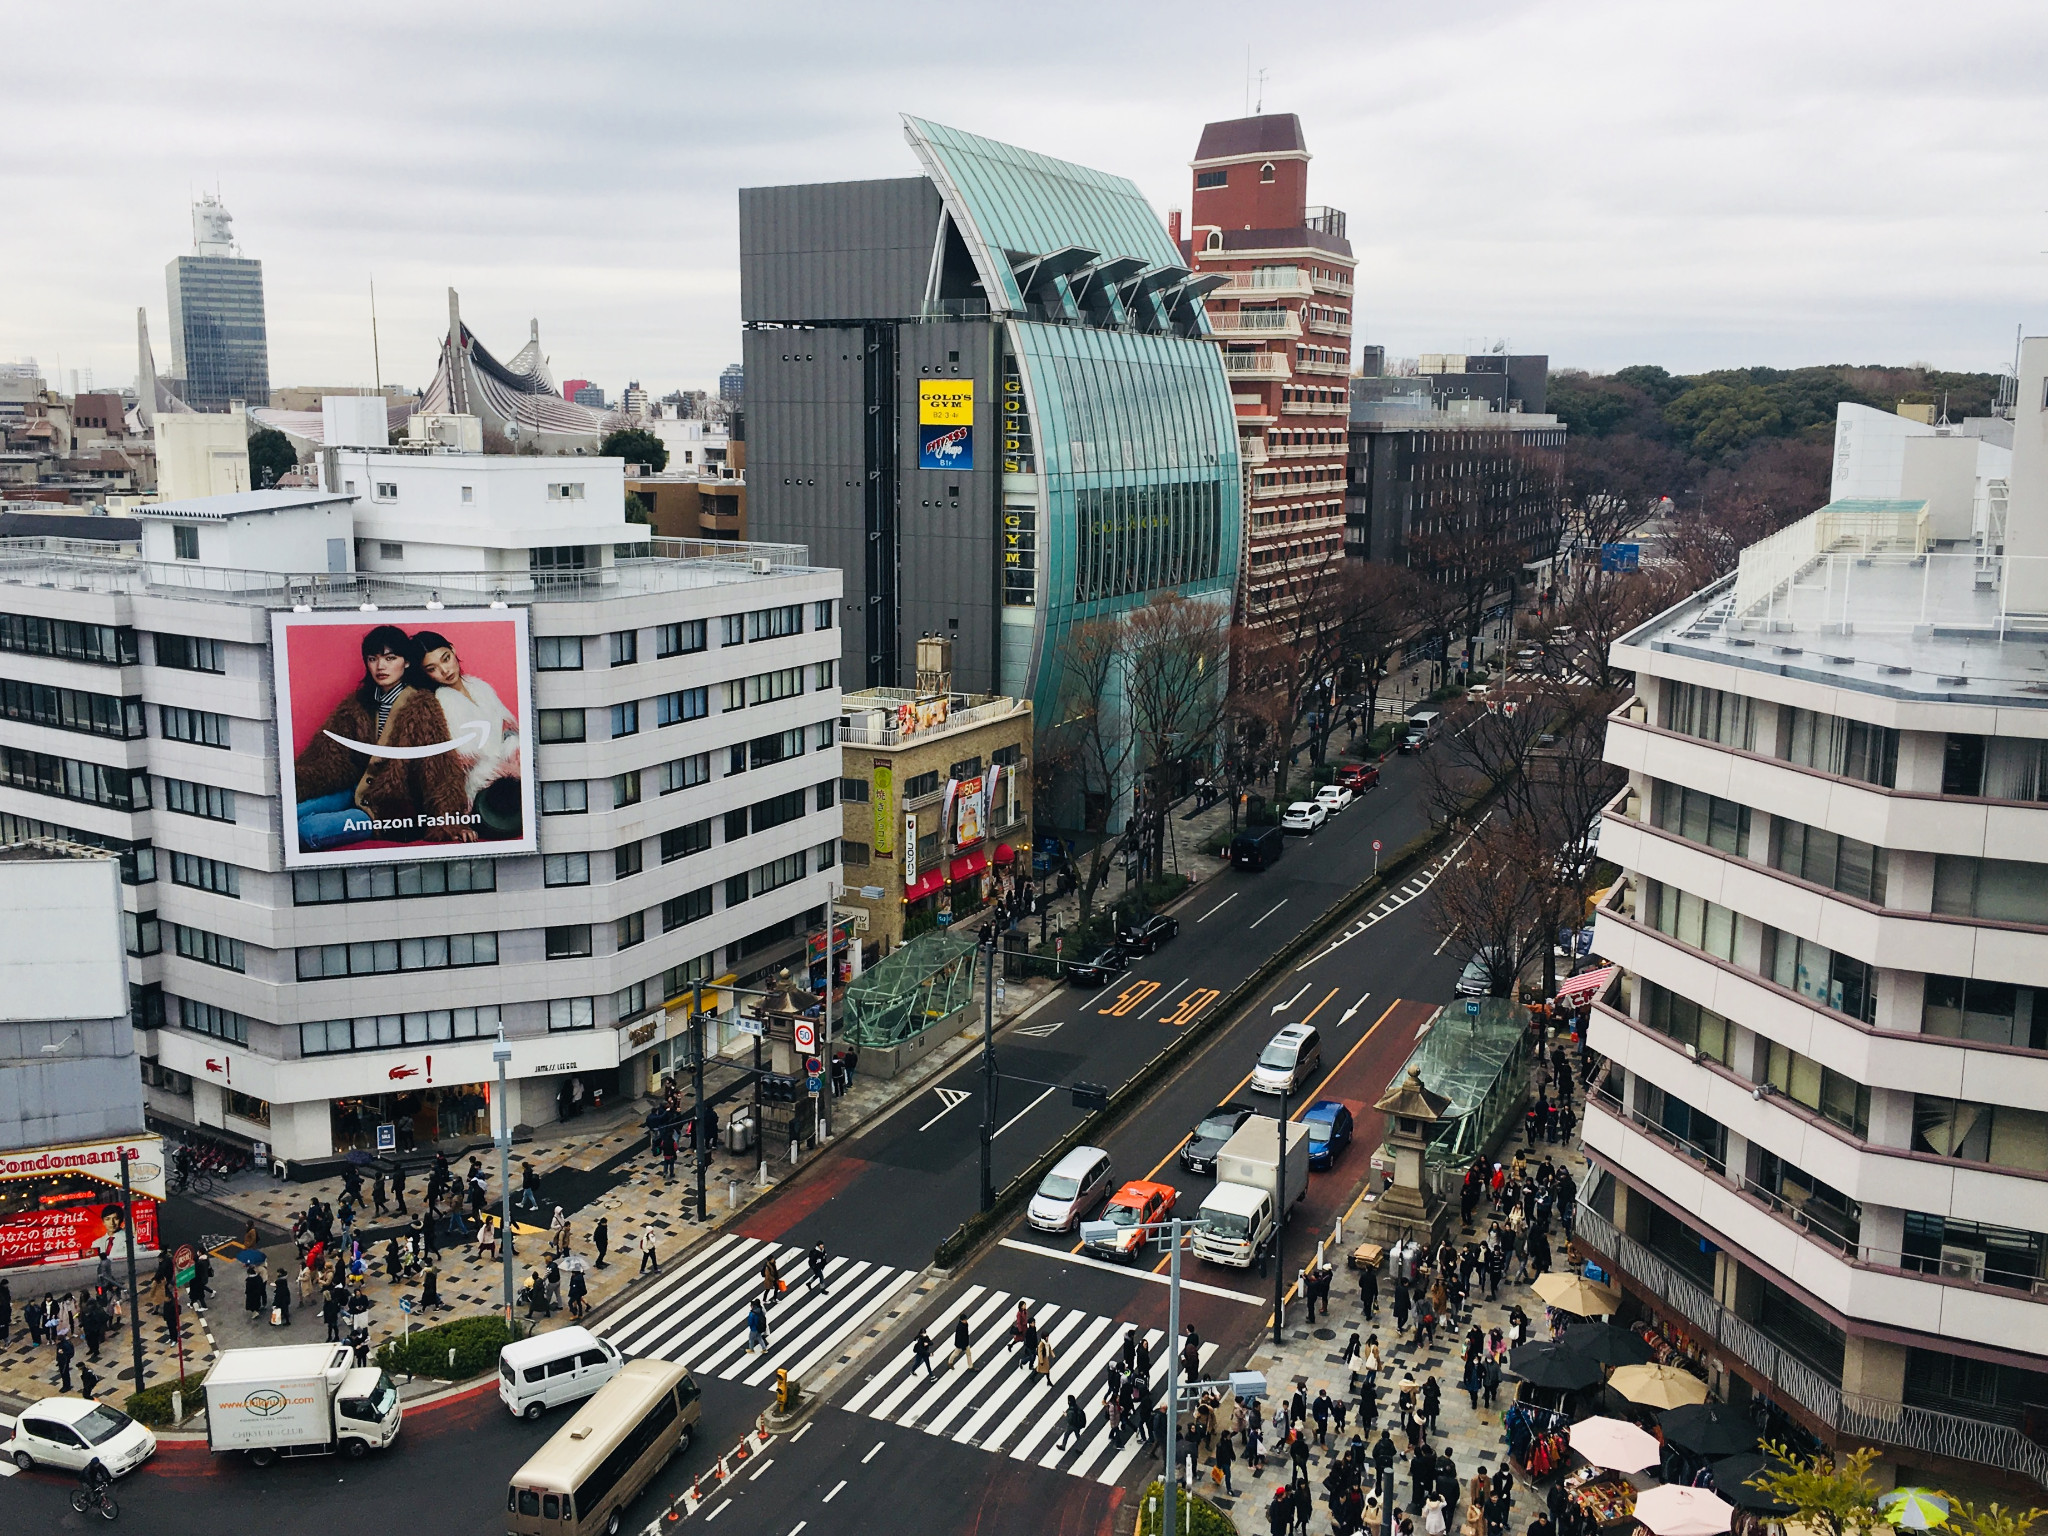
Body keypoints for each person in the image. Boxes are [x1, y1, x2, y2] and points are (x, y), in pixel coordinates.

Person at [292, 625, 470, 852]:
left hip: (385, 809)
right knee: (286, 813)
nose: (381, 666)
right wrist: (297, 781)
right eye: (373, 659)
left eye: (390, 658)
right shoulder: (358, 702)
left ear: (406, 662)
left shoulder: (421, 705)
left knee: (308, 831)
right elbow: (328, 753)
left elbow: (438, 768)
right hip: (352, 791)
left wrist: (449, 819)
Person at [414, 629, 522, 836]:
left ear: (453, 650)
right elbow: (450, 768)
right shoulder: (440, 701)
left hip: (506, 772)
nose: (445, 670)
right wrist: (455, 821)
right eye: (432, 668)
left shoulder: (480, 687)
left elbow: (508, 731)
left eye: (446, 658)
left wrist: (514, 760)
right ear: (425, 673)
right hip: (476, 789)